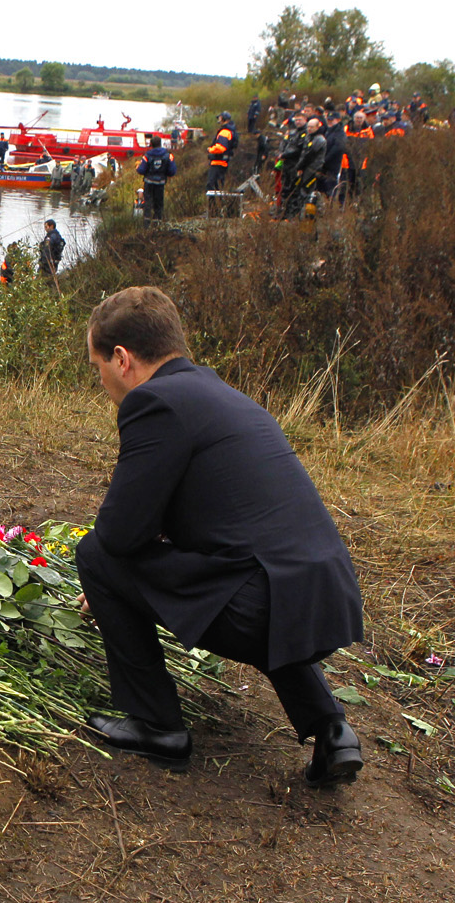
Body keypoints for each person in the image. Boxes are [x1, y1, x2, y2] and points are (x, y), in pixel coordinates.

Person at [77, 286, 364, 786]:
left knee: (95, 553)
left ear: (121, 359)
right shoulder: (224, 396)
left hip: (262, 607)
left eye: (97, 366)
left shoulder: (154, 403)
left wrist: (114, 586)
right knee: (252, 578)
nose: (100, 380)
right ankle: (332, 727)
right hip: (326, 600)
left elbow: (119, 535)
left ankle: (156, 724)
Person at [284, 117, 327, 219]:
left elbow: (310, 155)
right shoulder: (308, 137)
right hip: (304, 168)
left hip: (313, 169)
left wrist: (299, 167)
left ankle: (307, 217)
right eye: (308, 127)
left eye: (312, 127)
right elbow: (302, 153)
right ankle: (295, 214)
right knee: (298, 191)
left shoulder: (319, 139)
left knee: (307, 192)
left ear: (317, 127)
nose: (309, 129)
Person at [135, 135, 175, 222]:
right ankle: (158, 224)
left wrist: (137, 167)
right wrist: (164, 173)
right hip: (160, 183)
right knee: (159, 204)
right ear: (160, 144)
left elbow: (141, 170)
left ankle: (146, 225)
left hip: (149, 183)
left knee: (148, 203)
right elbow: (172, 171)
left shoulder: (147, 156)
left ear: (151, 145)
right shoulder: (167, 155)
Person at [205, 111, 237, 191]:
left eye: (220, 118)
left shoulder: (225, 131)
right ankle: (220, 202)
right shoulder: (229, 130)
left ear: (224, 119)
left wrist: (210, 150)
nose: (219, 120)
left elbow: (221, 147)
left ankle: (213, 203)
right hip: (222, 162)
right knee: (218, 186)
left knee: (211, 186)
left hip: (218, 162)